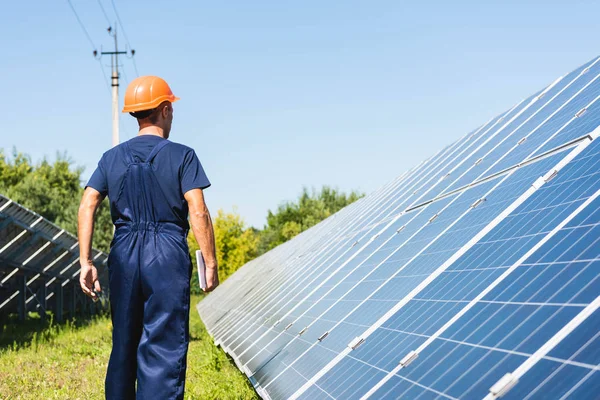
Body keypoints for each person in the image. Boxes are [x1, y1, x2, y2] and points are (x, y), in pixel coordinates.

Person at [77, 75, 219, 399]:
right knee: (164, 345)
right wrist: (209, 261)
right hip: (167, 250)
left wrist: (85, 261)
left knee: (124, 341)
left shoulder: (110, 157)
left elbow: (88, 202)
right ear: (166, 109)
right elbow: (197, 209)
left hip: (124, 250)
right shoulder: (183, 155)